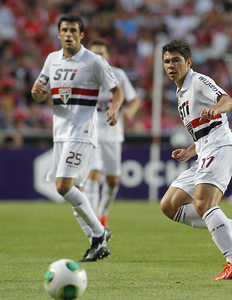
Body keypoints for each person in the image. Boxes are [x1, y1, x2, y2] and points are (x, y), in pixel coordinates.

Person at [31, 15, 124, 262]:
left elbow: (118, 91)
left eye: (73, 30)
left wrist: (114, 109)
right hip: (59, 133)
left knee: (63, 186)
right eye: (64, 30)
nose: (69, 34)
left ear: (81, 35)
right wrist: (37, 93)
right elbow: (40, 93)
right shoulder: (51, 59)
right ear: (59, 34)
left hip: (82, 131)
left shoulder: (94, 61)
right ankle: (98, 240)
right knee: (76, 197)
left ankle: (98, 234)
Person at [159, 39, 232, 280]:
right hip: (205, 150)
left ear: (188, 62)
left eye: (176, 60)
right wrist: (191, 150)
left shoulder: (198, 81)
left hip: (221, 146)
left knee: (203, 204)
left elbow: (228, 100)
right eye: (167, 61)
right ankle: (231, 226)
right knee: (169, 205)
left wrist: (218, 108)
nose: (171, 65)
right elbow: (202, 129)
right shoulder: (180, 94)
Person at [84, 38, 141, 228]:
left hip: (112, 132)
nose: (98, 56)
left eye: (101, 53)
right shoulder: (83, 76)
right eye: (94, 53)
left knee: (113, 180)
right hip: (90, 131)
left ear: (107, 56)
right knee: (93, 172)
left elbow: (134, 101)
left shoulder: (118, 75)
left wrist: (128, 112)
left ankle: (103, 213)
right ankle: (93, 223)